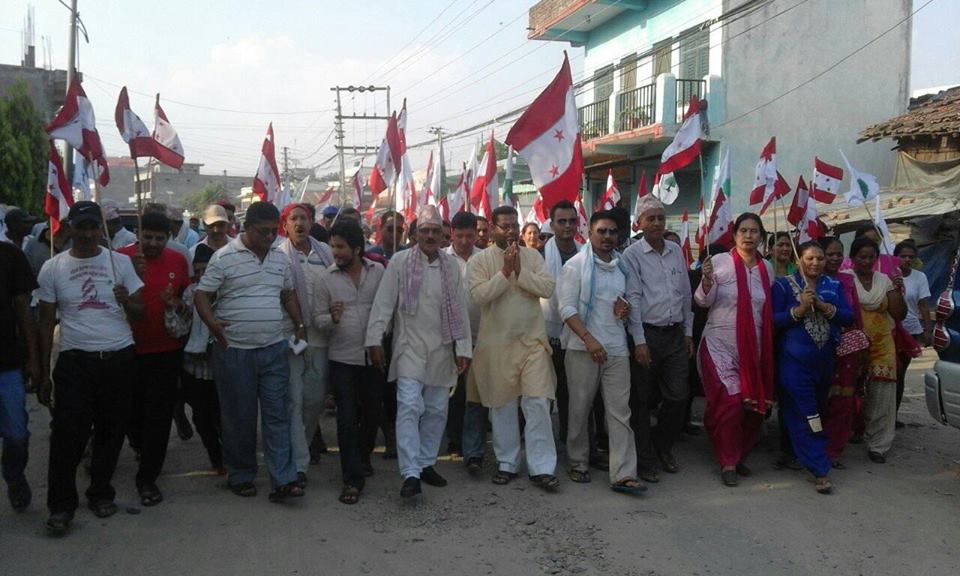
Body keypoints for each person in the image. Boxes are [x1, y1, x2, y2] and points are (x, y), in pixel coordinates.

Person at [36, 201, 145, 534]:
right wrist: (42, 371)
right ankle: (61, 505)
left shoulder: (120, 263)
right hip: (75, 361)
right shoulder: (53, 268)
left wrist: (127, 299)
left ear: (102, 229)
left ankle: (100, 492)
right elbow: (45, 322)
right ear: (69, 228)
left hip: (118, 357)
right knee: (67, 436)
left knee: (111, 433)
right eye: (80, 227)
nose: (86, 234)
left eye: (93, 227)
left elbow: (141, 312)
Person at [194, 201, 307, 502]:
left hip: (273, 348)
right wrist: (213, 325)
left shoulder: (280, 258)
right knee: (239, 418)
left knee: (277, 415)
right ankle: (241, 474)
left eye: (273, 231)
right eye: (263, 231)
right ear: (245, 228)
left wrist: (299, 323)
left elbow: (287, 293)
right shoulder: (224, 257)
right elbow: (202, 295)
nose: (270, 237)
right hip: (235, 351)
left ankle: (283, 479)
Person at [366, 205, 472, 498]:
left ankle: (426, 463)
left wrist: (463, 348)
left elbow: (460, 309)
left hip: (441, 348)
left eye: (435, 231)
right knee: (410, 406)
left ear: (443, 236)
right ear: (414, 235)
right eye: (424, 230)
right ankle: (410, 472)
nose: (430, 236)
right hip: (408, 346)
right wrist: (374, 340)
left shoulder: (451, 266)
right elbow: (384, 304)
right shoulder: (400, 262)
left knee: (437, 410)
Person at [468, 206, 559, 491]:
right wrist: (505, 271)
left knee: (537, 402)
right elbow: (479, 296)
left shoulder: (532, 256)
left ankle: (542, 468)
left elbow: (547, 288)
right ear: (492, 228)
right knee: (503, 405)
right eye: (505, 226)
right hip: (497, 345)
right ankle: (507, 463)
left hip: (533, 342)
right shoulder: (480, 260)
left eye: (514, 226)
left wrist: (520, 271)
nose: (511, 231)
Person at [559, 211, 644, 494]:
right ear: (590, 233)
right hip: (582, 348)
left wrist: (624, 312)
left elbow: (627, 304)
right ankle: (578, 462)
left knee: (620, 413)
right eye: (602, 231)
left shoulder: (622, 268)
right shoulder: (575, 266)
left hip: (616, 348)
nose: (607, 237)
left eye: (612, 232)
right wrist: (588, 339)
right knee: (580, 408)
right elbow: (566, 309)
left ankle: (623, 472)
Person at [694, 213, 774, 487]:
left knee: (752, 407)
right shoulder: (719, 262)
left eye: (754, 231)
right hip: (719, 345)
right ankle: (728, 461)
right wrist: (706, 281)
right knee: (730, 402)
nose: (748, 236)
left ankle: (737, 453)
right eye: (743, 230)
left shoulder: (767, 268)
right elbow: (702, 302)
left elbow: (766, 309)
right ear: (734, 234)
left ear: (761, 236)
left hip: (754, 350)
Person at [117, 212, 191, 507]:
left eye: (160, 238)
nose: (153, 243)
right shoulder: (119, 258)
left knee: (158, 415)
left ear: (168, 238)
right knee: (131, 411)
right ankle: (138, 444)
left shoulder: (178, 260)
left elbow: (187, 300)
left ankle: (147, 478)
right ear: (138, 233)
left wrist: (176, 303)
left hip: (166, 350)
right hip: (125, 349)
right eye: (147, 237)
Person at [772, 241, 852, 494]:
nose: (815, 263)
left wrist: (826, 308)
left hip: (824, 363)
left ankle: (792, 452)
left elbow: (848, 316)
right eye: (809, 258)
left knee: (813, 410)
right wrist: (800, 309)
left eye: (819, 258)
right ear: (799, 260)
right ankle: (820, 468)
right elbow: (771, 320)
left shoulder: (833, 285)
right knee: (808, 413)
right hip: (794, 363)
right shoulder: (783, 285)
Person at [313, 220, 385, 504]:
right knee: (346, 417)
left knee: (373, 412)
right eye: (333, 246)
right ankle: (352, 479)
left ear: (357, 248)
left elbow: (387, 310)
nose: (335, 252)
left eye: (341, 247)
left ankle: (363, 457)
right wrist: (332, 318)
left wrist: (380, 341)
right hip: (342, 359)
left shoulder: (378, 272)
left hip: (374, 356)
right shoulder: (325, 279)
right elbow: (317, 320)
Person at [623, 196, 693, 481]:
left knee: (679, 396)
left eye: (660, 218)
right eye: (650, 218)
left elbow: (685, 294)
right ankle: (645, 460)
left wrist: (688, 332)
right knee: (641, 401)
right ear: (639, 223)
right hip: (647, 335)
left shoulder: (675, 250)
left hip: (675, 335)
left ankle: (662, 445)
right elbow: (633, 298)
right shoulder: (632, 255)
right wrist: (639, 341)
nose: (656, 223)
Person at [277, 203, 334, 487]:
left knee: (314, 400)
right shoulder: (278, 255)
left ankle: (303, 445)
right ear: (285, 225)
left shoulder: (325, 253)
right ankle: (299, 465)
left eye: (304, 218)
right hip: (291, 335)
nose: (299, 223)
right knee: (294, 400)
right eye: (293, 219)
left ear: (311, 222)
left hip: (321, 335)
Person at [843, 237, 906, 463]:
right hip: (852, 345)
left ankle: (878, 444)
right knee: (848, 391)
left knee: (881, 394)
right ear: (853, 258)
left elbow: (899, 314)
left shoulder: (885, 280)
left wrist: (897, 290)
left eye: (871, 257)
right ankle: (846, 434)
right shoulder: (845, 278)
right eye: (862, 257)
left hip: (882, 345)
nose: (867, 261)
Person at [819, 237, 867, 468]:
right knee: (819, 399)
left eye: (839, 254)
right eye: (830, 254)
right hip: (818, 346)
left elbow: (855, 314)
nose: (835, 258)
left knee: (842, 400)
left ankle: (834, 449)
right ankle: (813, 446)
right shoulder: (811, 280)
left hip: (846, 348)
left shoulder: (848, 280)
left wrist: (861, 346)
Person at [444, 211, 484, 470]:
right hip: (449, 337)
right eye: (459, 236)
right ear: (452, 234)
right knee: (452, 392)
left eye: (469, 236)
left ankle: (472, 448)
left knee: (474, 395)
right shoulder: (442, 259)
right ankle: (454, 439)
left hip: (481, 336)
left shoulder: (485, 258)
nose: (464, 241)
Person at [0, 240, 39, 512]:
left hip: (7, 364)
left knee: (16, 433)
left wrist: (34, 358)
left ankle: (14, 477)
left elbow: (24, 310)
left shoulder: (10, 255)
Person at [178, 243, 223, 472]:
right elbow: (179, 328)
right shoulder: (190, 293)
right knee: (201, 418)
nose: (201, 275)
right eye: (197, 271)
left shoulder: (228, 291)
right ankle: (216, 457)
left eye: (206, 270)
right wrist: (174, 309)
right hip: (194, 367)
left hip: (222, 367)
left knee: (223, 416)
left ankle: (230, 456)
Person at [540, 201, 581, 447]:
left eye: (572, 221)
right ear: (552, 224)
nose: (567, 226)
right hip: (546, 334)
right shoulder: (539, 255)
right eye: (562, 221)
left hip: (578, 333)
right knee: (543, 393)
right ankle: (541, 443)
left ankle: (569, 439)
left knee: (571, 391)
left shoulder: (586, 254)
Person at [895, 240, 931, 424]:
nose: (907, 260)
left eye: (911, 256)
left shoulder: (919, 277)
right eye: (903, 256)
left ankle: (893, 415)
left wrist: (927, 330)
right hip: (889, 330)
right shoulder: (887, 275)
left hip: (910, 331)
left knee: (900, 374)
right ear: (895, 257)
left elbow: (924, 305)